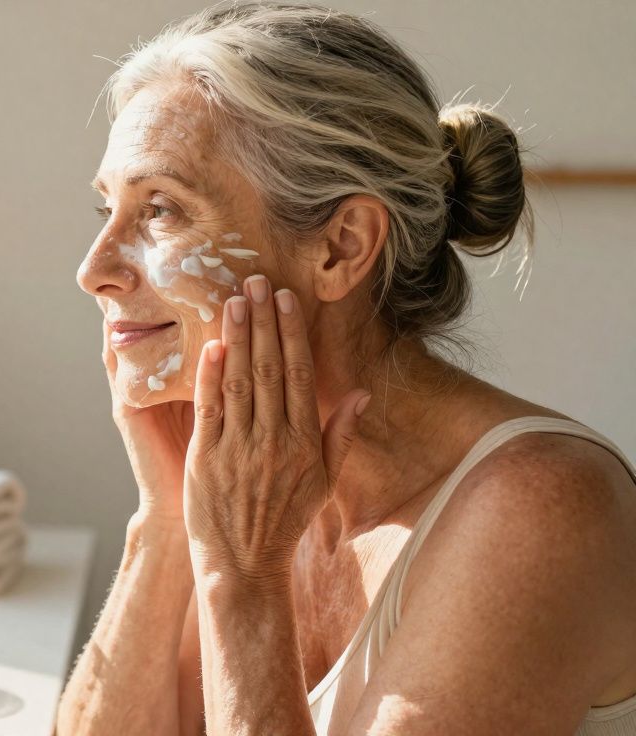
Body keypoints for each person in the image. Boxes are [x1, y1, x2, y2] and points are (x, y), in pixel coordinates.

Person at [57, 3, 636, 734]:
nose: (93, 270)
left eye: (161, 210)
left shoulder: (541, 510)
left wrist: (243, 576)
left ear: (341, 246)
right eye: (107, 209)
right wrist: (167, 518)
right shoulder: (261, 468)